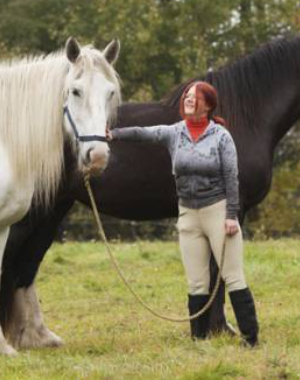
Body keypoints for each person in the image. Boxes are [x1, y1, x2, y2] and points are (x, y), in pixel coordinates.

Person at [106, 81, 259, 346]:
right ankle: (199, 340)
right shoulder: (175, 133)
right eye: (187, 96)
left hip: (217, 211)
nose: (189, 99)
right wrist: (114, 134)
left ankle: (251, 338)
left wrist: (231, 216)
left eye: (195, 97)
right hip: (188, 214)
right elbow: (144, 133)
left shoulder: (221, 137)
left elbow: (232, 177)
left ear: (208, 105)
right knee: (196, 281)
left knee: (232, 276)